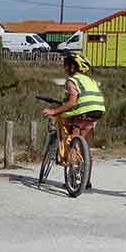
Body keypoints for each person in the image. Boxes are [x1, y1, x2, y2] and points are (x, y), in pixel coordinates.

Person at [40, 53, 105, 189]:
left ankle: (73, 177)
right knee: (84, 146)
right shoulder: (90, 80)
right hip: (97, 112)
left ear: (71, 67)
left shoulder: (72, 81)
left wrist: (53, 111)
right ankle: (86, 181)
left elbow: (71, 103)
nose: (64, 68)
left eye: (65, 65)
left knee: (70, 134)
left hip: (82, 112)